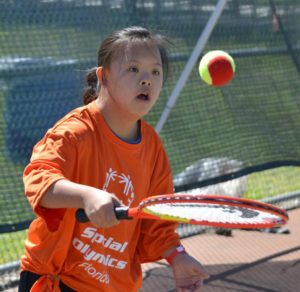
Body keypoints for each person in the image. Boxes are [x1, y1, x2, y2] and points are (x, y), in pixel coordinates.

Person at [19, 26, 209, 292]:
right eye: (133, 69)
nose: (147, 80)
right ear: (103, 77)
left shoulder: (153, 147)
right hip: (58, 281)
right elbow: (39, 179)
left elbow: (158, 222)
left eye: (155, 71)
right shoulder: (74, 131)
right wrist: (87, 196)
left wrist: (177, 256)